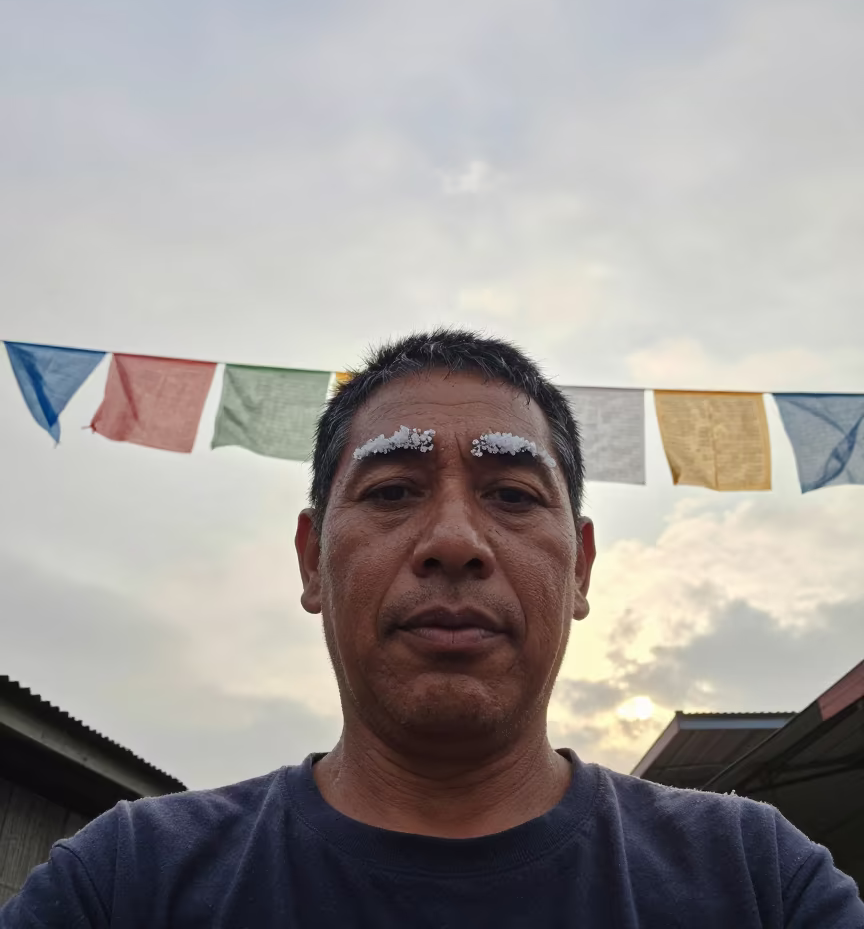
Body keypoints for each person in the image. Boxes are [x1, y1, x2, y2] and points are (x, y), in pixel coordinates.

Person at [2, 329, 862, 928]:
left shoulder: (755, 882)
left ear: (582, 570)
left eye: (514, 496)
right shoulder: (127, 884)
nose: (454, 540)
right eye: (392, 492)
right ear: (312, 561)